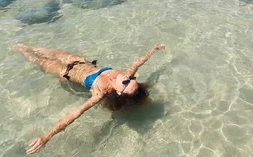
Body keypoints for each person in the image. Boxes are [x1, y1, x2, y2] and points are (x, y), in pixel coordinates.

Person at [13, 43, 166, 154]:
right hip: (78, 60)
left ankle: (15, 49)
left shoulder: (100, 93)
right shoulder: (124, 76)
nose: (126, 77)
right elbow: (138, 63)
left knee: (34, 58)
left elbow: (74, 115)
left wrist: (46, 137)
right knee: (34, 48)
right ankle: (15, 44)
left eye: (126, 82)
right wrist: (154, 49)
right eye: (132, 78)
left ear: (119, 92)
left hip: (63, 71)